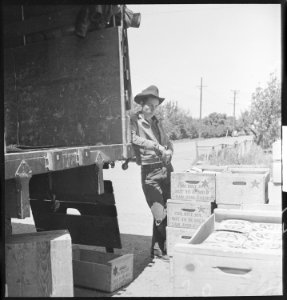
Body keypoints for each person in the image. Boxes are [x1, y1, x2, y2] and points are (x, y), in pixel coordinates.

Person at [130, 85, 174, 261]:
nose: (153, 109)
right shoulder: (134, 120)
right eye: (150, 105)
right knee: (160, 214)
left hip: (166, 169)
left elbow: (167, 142)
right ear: (141, 104)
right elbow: (132, 138)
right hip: (150, 173)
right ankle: (162, 248)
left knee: (170, 211)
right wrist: (156, 146)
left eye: (156, 106)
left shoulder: (157, 121)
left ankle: (158, 249)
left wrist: (170, 150)